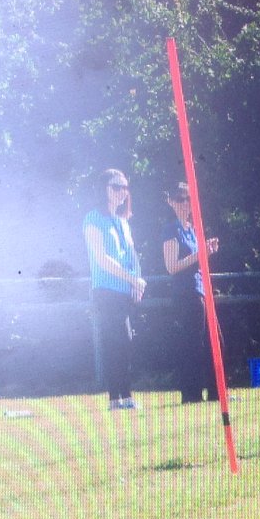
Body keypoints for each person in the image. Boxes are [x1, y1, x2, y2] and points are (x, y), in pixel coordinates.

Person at [83, 168, 144, 410]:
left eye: (125, 187)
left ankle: (124, 396)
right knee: (115, 341)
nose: (122, 191)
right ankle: (116, 398)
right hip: (105, 291)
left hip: (124, 290)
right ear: (104, 189)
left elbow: (131, 255)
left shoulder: (123, 222)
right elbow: (102, 258)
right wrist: (131, 278)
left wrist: (138, 281)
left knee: (126, 341)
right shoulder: (92, 219)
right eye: (116, 186)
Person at [162, 181, 219, 404]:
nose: (185, 203)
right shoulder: (171, 229)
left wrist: (207, 250)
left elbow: (198, 259)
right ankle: (191, 395)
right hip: (186, 294)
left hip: (200, 290)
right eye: (180, 199)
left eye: (188, 199)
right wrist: (200, 254)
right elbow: (172, 266)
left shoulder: (192, 229)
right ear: (172, 202)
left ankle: (216, 392)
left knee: (215, 341)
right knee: (193, 345)